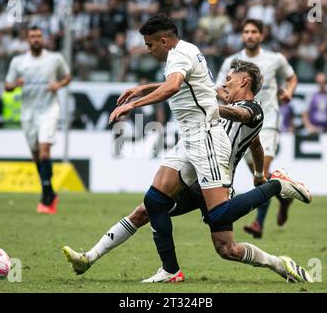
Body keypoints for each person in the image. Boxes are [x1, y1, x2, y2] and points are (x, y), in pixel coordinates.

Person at [63, 59, 313, 283]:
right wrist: (144, 88)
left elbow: (240, 115)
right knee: (147, 209)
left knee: (227, 250)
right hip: (194, 179)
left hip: (218, 183)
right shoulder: (222, 102)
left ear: (244, 81)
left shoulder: (254, 109)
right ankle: (89, 258)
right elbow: (184, 87)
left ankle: (278, 231)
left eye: (229, 79)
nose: (224, 83)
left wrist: (212, 109)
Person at [215, 19, 298, 238]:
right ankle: (283, 194)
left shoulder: (275, 59)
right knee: (260, 176)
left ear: (262, 35)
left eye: (254, 32)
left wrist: (289, 91)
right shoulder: (231, 61)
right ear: (242, 35)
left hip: (268, 121)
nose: (250, 35)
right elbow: (220, 88)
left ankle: (258, 223)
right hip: (241, 125)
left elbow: (292, 77)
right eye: (246, 32)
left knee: (261, 172)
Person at [4, 26, 72, 214]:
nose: (36, 39)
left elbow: (67, 77)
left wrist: (57, 85)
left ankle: (46, 195)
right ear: (27, 39)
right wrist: (15, 84)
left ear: (43, 39)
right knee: (35, 155)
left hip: (49, 110)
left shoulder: (54, 59)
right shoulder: (18, 62)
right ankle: (49, 191)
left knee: (44, 151)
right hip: (28, 113)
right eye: (32, 36)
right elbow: (7, 86)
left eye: (39, 36)